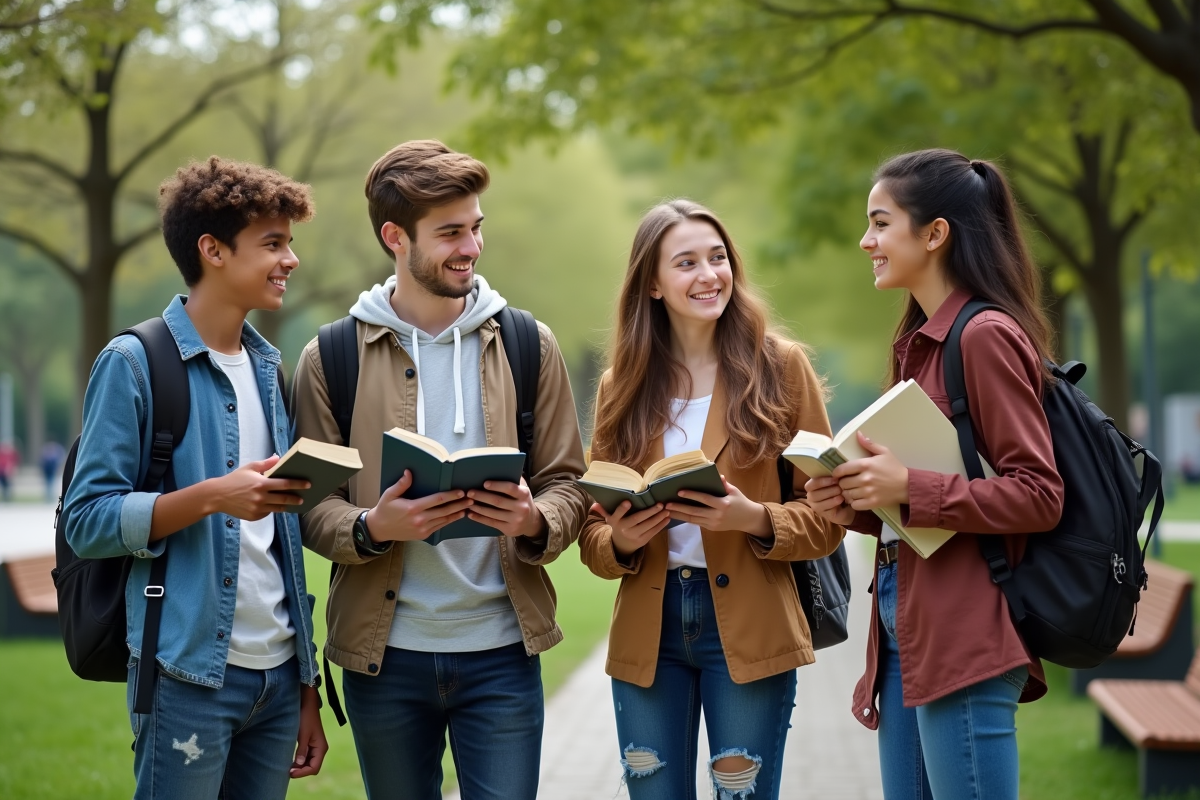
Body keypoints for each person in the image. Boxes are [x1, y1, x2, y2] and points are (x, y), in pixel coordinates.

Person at [292, 139, 589, 800]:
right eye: (451, 233)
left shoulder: (526, 343)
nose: (472, 247)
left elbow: (570, 481)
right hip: (383, 659)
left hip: (502, 653)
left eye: (476, 227)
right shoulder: (331, 356)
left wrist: (535, 517)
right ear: (396, 237)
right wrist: (372, 526)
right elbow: (312, 506)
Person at [62, 157, 327, 800]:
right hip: (187, 674)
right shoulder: (133, 362)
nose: (290, 260)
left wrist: (306, 682)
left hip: (277, 674)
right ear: (212, 250)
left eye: (289, 243)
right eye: (272, 243)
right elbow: (87, 520)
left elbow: (280, 544)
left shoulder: (269, 367)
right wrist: (214, 496)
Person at [805, 149, 1065, 800]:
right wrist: (856, 501)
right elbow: (931, 498)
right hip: (906, 623)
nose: (867, 241)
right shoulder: (920, 343)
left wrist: (907, 489)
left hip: (966, 628)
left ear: (935, 233)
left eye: (880, 223)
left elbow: (1039, 493)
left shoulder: (984, 336)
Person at [577, 199, 846, 800]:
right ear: (652, 282)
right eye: (687, 263)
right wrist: (618, 539)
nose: (709, 276)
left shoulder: (781, 368)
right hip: (650, 630)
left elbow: (831, 515)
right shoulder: (621, 384)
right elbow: (591, 535)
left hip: (750, 624)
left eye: (718, 258)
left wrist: (753, 518)